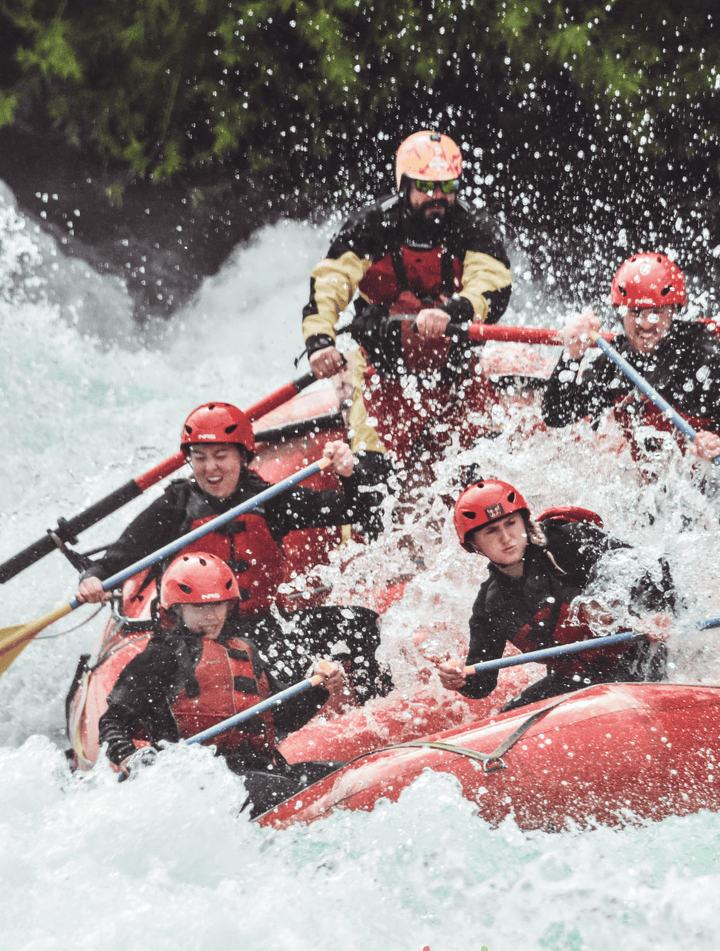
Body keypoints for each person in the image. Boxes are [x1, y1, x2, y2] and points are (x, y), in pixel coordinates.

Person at [75, 401, 392, 700]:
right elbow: (120, 557)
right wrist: (93, 578)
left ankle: (375, 706)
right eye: (199, 457)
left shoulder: (269, 500)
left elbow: (355, 509)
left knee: (362, 624)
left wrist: (349, 474)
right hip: (192, 639)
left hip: (262, 629)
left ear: (242, 456)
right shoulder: (174, 507)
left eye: (220, 455)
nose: (210, 467)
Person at [300, 130, 514, 483]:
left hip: (458, 376)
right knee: (371, 479)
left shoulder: (473, 227)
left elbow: (492, 285)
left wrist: (451, 312)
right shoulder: (371, 225)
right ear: (404, 185)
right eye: (426, 186)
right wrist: (320, 341)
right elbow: (330, 282)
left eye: (447, 186)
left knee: (492, 473)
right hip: (383, 376)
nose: (438, 196)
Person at [99, 552, 353, 816]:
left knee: (347, 774)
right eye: (199, 607)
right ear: (177, 609)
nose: (211, 615)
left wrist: (318, 689)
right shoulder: (161, 656)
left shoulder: (245, 650)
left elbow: (283, 717)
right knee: (295, 792)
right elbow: (112, 722)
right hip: (205, 784)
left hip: (262, 769)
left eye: (217, 605)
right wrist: (130, 757)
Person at [542, 253, 720, 513]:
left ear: (673, 311)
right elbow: (556, 414)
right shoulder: (615, 361)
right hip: (666, 496)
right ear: (621, 312)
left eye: (656, 312)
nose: (645, 324)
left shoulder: (708, 358)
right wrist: (572, 356)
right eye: (635, 312)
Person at [438, 479, 679, 712]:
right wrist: (460, 679)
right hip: (579, 677)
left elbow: (648, 565)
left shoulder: (568, 540)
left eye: (511, 523)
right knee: (510, 714)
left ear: (524, 521)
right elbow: (482, 682)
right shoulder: (491, 605)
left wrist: (656, 612)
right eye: (491, 531)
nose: (506, 538)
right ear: (474, 545)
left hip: (639, 654)